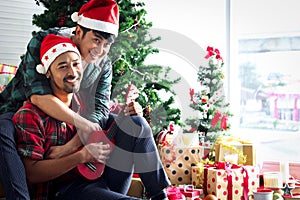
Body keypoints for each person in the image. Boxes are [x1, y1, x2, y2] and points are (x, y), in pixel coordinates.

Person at [0, 0, 170, 199]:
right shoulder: (46, 42)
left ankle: (159, 193)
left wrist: (71, 146)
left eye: (107, 44)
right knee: (3, 130)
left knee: (135, 123)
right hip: (17, 107)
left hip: (73, 118)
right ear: (78, 32)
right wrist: (82, 126)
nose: (101, 50)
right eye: (96, 40)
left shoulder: (103, 64)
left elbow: (99, 110)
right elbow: (39, 97)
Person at [12, 33, 138, 200]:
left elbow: (105, 119)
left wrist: (128, 111)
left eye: (76, 64)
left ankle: (160, 193)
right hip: (62, 192)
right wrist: (81, 156)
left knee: (136, 122)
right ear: (48, 73)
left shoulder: (84, 104)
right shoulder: (30, 115)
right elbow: (32, 173)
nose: (72, 72)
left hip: (97, 181)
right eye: (63, 66)